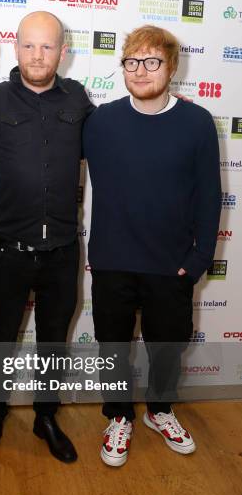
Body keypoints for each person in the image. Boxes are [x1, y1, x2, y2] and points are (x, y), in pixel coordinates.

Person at [83, 25, 221, 467]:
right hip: (112, 262)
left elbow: (209, 196)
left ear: (171, 67)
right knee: (113, 345)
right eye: (132, 61)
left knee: (167, 347)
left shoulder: (198, 123)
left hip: (171, 265)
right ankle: (119, 415)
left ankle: (160, 411)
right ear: (122, 67)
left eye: (152, 61)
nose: (140, 71)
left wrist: (199, 259)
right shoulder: (100, 122)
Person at [0, 11, 95, 469]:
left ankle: (45, 417)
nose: (37, 55)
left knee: (53, 341)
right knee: (1, 338)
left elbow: (109, 150)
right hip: (6, 249)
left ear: (63, 51)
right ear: (15, 49)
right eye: (29, 46)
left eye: (47, 46)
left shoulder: (78, 98)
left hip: (62, 250)